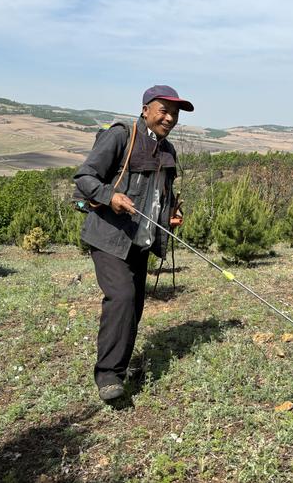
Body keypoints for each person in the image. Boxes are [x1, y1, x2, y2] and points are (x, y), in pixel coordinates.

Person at [74, 85, 193, 401]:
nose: (169, 117)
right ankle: (108, 375)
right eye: (163, 110)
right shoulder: (120, 135)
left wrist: (170, 215)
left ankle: (119, 367)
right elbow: (84, 177)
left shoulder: (168, 151)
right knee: (123, 296)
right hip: (109, 236)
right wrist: (109, 196)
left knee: (134, 305)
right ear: (145, 109)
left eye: (175, 113)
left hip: (141, 240)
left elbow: (159, 194)